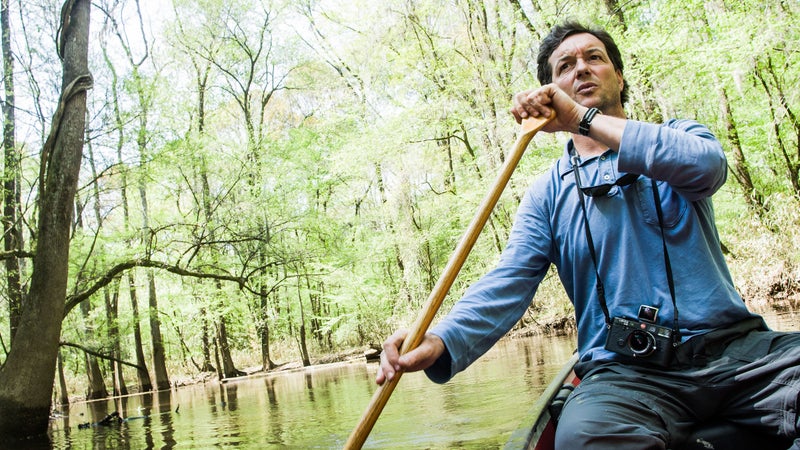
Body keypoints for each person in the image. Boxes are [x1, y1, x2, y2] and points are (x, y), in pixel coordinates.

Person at [376, 21, 800, 449]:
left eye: (594, 58)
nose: (581, 69)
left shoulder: (679, 136)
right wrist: (441, 338)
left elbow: (705, 168)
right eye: (566, 65)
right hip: (626, 377)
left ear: (618, 76)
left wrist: (583, 119)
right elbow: (507, 282)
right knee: (584, 438)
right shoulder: (547, 194)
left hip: (737, 354)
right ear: (552, 92)